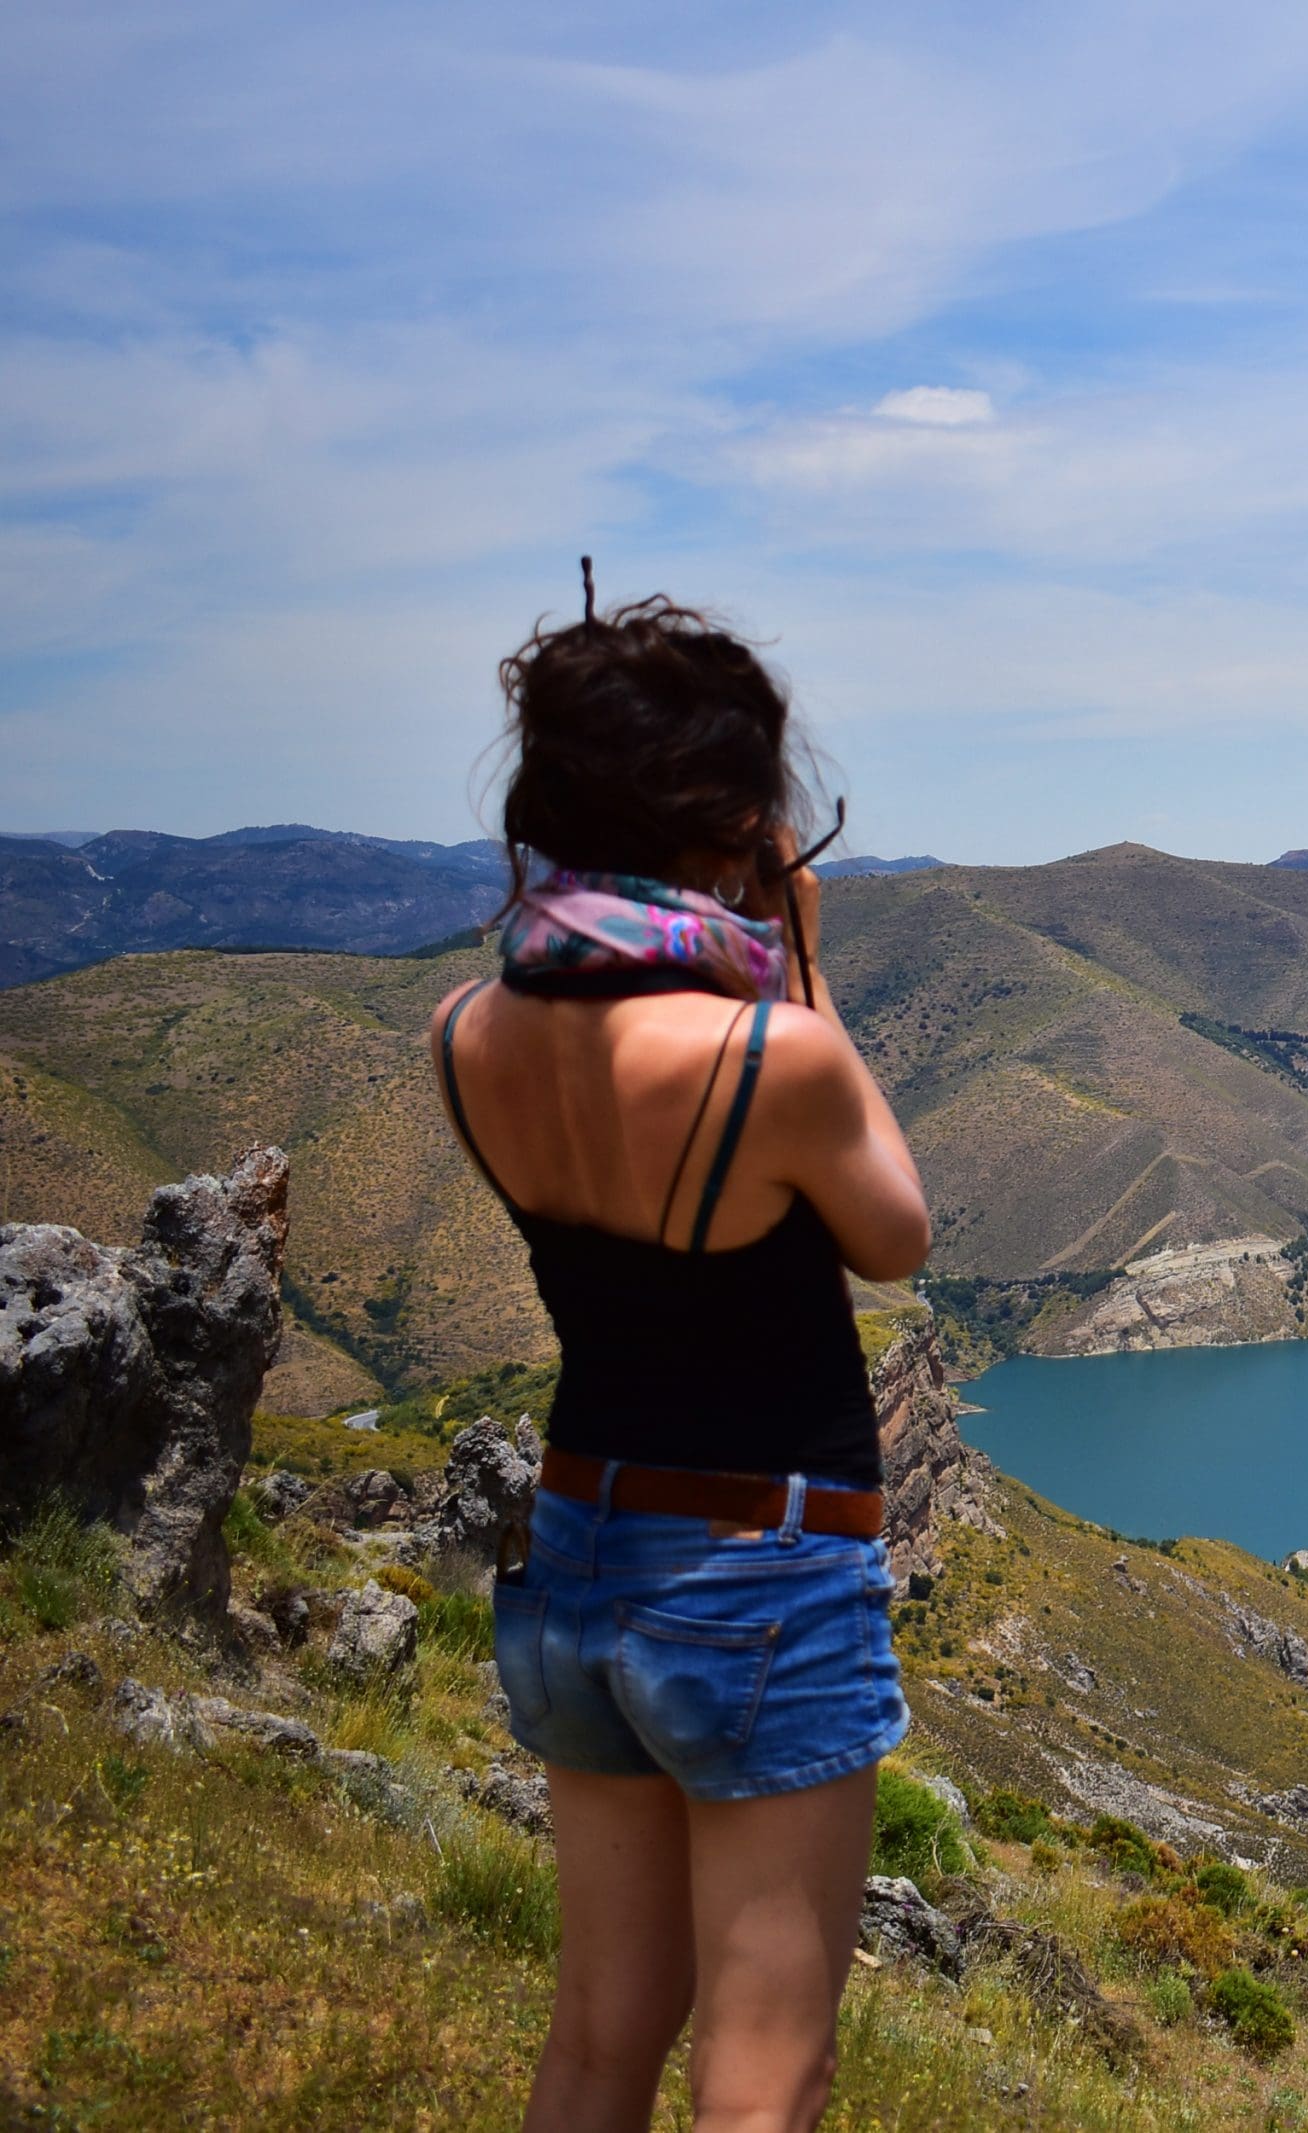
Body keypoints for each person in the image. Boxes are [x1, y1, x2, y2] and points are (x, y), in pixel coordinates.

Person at [431, 582, 931, 2133]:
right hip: (757, 1569)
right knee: (763, 2079)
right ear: (731, 820)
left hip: (575, 1548)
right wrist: (801, 967)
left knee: (598, 2039)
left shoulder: (466, 1032)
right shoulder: (773, 1055)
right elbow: (896, 1235)